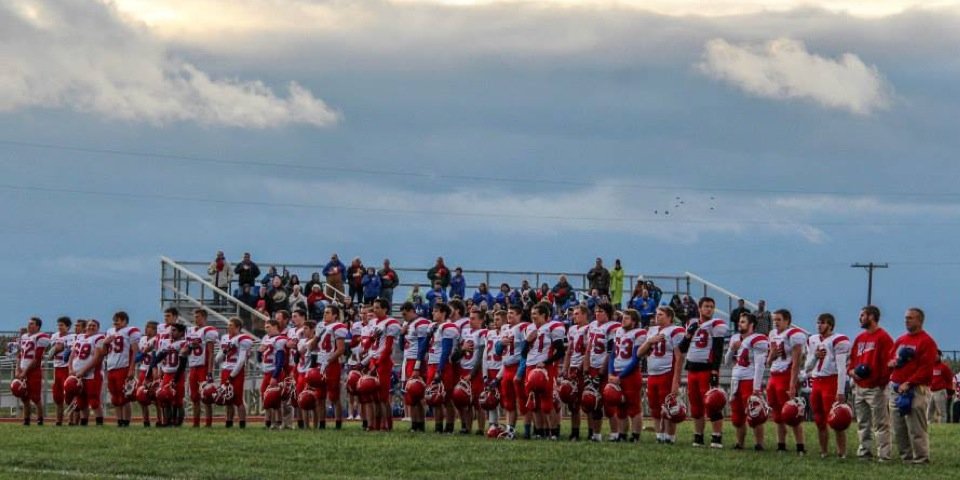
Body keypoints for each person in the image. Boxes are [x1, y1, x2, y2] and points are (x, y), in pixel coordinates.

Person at [888, 307, 938, 464]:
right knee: (898, 426)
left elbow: (926, 368)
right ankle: (906, 457)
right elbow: (890, 358)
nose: (906, 320)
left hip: (916, 388)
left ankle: (921, 457)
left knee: (916, 426)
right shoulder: (901, 340)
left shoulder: (927, 341)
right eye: (905, 318)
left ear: (919, 320)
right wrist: (892, 363)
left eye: (910, 318)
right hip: (896, 388)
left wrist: (909, 382)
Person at [847, 305, 894, 461]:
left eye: (862, 315)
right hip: (859, 386)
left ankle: (884, 455)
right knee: (862, 422)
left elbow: (888, 363)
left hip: (876, 388)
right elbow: (852, 361)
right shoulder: (860, 338)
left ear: (871, 317)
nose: (860, 318)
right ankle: (864, 451)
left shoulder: (883, 337)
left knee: (881, 423)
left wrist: (881, 382)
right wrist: (852, 372)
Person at [681, 297, 728, 448]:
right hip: (692, 369)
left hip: (706, 369)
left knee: (712, 403)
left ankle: (716, 436)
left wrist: (715, 370)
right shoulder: (692, 324)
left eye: (711, 307)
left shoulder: (716, 324)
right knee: (695, 405)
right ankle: (698, 435)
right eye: (706, 306)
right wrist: (689, 334)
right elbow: (682, 348)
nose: (709, 309)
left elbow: (718, 349)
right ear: (699, 309)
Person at [805, 313, 851, 458]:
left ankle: (841, 452)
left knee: (837, 419)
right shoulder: (812, 340)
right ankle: (823, 451)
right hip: (817, 382)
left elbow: (842, 367)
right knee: (819, 419)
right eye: (818, 322)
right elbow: (807, 367)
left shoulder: (838, 340)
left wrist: (840, 390)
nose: (819, 325)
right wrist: (815, 356)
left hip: (831, 380)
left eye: (823, 323)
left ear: (830, 325)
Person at [638, 306, 685, 444]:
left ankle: (670, 437)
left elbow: (679, 357)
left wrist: (676, 380)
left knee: (669, 406)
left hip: (667, 372)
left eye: (661, 314)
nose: (657, 317)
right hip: (653, 374)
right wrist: (649, 341)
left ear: (670, 317)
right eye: (657, 314)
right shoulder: (651, 331)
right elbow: (639, 353)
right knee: (654, 407)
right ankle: (659, 435)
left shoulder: (676, 330)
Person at [765, 309, 807, 454]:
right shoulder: (772, 334)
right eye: (774, 319)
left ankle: (800, 446)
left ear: (787, 321)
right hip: (773, 376)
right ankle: (781, 445)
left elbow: (796, 363)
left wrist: (792, 384)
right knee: (777, 414)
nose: (776, 322)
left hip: (785, 376)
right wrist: (772, 356)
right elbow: (769, 361)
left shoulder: (793, 335)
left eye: (779, 319)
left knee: (792, 413)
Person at [725, 312, 769, 451]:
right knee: (737, 416)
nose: (739, 323)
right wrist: (732, 349)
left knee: (754, 413)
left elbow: (760, 365)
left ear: (751, 325)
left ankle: (759, 444)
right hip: (736, 379)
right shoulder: (735, 338)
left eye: (743, 321)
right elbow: (727, 362)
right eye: (739, 321)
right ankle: (740, 443)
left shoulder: (758, 339)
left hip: (749, 380)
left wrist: (756, 388)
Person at [582, 303, 622, 442]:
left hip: (607, 368)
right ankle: (596, 434)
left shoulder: (613, 327)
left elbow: (611, 352)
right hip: (592, 366)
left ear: (609, 313)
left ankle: (615, 434)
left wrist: (601, 371)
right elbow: (588, 348)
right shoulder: (592, 325)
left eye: (601, 311)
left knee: (609, 401)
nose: (598, 313)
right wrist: (586, 367)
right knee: (593, 402)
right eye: (596, 311)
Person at [606, 309, 647, 442]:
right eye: (623, 317)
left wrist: (621, 375)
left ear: (634, 322)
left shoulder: (639, 333)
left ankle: (635, 436)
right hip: (617, 371)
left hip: (630, 373)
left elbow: (636, 358)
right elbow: (613, 354)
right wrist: (611, 372)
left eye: (627, 318)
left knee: (633, 406)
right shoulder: (618, 331)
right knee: (619, 405)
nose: (623, 320)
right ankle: (622, 434)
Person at [493, 305, 529, 439]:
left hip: (517, 366)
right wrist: (501, 344)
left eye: (512, 313)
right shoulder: (504, 328)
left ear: (519, 315)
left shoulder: (524, 327)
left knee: (523, 401)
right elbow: (497, 352)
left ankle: (527, 431)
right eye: (508, 313)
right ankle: (510, 430)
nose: (509, 315)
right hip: (506, 368)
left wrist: (520, 371)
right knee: (508, 403)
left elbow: (527, 351)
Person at [424, 302, 460, 434]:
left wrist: (439, 370)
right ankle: (438, 427)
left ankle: (449, 427)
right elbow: (425, 346)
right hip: (432, 363)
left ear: (443, 312)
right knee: (434, 397)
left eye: (436, 311)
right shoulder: (433, 326)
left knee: (446, 398)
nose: (433, 313)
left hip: (444, 365)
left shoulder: (448, 327)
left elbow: (446, 351)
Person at [367, 298, 401, 431]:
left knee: (383, 396)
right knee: (374, 395)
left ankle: (387, 425)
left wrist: (378, 362)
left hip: (383, 361)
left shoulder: (391, 323)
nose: (374, 310)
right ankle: (375, 425)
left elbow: (388, 348)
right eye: (374, 307)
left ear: (385, 309)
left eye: (377, 307)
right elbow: (368, 343)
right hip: (373, 359)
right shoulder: (373, 322)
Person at [103, 311, 141, 428]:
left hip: (123, 366)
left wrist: (131, 368)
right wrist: (105, 343)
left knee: (125, 397)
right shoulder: (110, 331)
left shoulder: (130, 331)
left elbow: (135, 351)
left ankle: (126, 421)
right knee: (115, 397)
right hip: (111, 366)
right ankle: (119, 421)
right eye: (114, 319)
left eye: (118, 319)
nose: (115, 322)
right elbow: (105, 351)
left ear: (125, 321)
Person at [314, 304, 348, 430]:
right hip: (320, 363)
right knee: (319, 396)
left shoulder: (338, 327)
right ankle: (322, 424)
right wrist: (317, 336)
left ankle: (338, 423)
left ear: (335, 315)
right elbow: (312, 346)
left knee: (334, 396)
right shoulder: (320, 326)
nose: (325, 314)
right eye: (324, 312)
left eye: (328, 312)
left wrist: (328, 360)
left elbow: (340, 349)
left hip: (332, 364)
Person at [400, 301, 432, 432]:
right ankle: (415, 424)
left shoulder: (421, 323)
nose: (403, 317)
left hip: (417, 361)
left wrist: (417, 366)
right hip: (408, 359)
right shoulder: (407, 324)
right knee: (411, 394)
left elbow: (422, 346)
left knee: (417, 392)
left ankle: (420, 424)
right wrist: (402, 334)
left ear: (412, 311)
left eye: (405, 314)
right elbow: (402, 347)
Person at [218, 317, 254, 428]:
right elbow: (218, 358)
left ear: (238, 327)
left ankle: (242, 423)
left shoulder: (242, 339)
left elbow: (242, 360)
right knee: (227, 397)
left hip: (236, 370)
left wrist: (233, 374)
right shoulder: (224, 338)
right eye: (228, 325)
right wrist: (224, 352)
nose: (228, 327)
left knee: (238, 399)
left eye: (231, 325)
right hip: (225, 369)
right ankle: (228, 422)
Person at [456, 308, 487, 434]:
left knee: (478, 403)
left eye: (473, 318)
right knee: (465, 401)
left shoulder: (483, 333)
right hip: (463, 368)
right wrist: (462, 349)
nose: (470, 320)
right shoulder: (464, 332)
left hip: (475, 371)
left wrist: (472, 374)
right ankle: (467, 428)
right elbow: (457, 354)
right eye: (470, 317)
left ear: (481, 320)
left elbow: (481, 357)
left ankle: (480, 429)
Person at [69, 319, 106, 426]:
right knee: (81, 401)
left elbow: (97, 357)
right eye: (89, 325)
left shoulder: (99, 338)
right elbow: (72, 355)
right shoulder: (79, 337)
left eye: (94, 326)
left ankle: (99, 423)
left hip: (92, 374)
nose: (91, 327)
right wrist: (71, 369)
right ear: (86, 327)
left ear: (98, 328)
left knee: (94, 401)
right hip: (77, 374)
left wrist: (83, 370)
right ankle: (83, 423)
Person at [15, 317, 50, 426]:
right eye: (29, 323)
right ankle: (26, 420)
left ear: (38, 326)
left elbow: (37, 358)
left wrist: (25, 371)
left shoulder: (41, 337)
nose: (29, 325)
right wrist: (17, 369)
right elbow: (20, 354)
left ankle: (40, 420)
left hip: (33, 371)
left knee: (35, 397)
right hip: (22, 369)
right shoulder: (24, 336)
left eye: (32, 324)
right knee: (23, 396)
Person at [187, 310, 219, 428]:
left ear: (204, 317)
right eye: (195, 317)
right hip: (192, 367)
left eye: (198, 317)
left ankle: (208, 423)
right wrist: (190, 346)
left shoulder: (208, 331)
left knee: (207, 396)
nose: (196, 319)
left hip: (203, 367)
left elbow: (211, 353)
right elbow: (185, 351)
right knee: (194, 397)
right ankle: (196, 423)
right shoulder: (190, 331)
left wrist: (210, 371)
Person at [154, 323, 190, 427]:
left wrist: (176, 378)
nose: (171, 332)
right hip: (166, 373)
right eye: (171, 330)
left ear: (181, 333)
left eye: (174, 330)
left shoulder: (183, 343)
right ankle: (167, 421)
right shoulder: (166, 342)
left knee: (178, 401)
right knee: (165, 398)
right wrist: (154, 366)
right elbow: (158, 357)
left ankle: (178, 422)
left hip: (177, 373)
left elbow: (182, 364)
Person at [259, 318, 290, 429]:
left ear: (275, 326)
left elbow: (280, 360)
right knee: (265, 397)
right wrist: (260, 351)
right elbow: (260, 356)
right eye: (265, 327)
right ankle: (268, 421)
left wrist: (275, 375)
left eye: (268, 327)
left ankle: (278, 422)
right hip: (266, 371)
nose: (266, 329)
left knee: (275, 398)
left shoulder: (281, 339)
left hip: (274, 371)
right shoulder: (265, 338)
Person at [50, 316, 75, 426]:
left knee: (69, 395)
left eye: (62, 325)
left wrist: (61, 348)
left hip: (66, 368)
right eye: (58, 325)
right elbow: (51, 353)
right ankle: (58, 420)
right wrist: (56, 349)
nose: (59, 327)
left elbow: (70, 352)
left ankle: (71, 420)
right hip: (57, 368)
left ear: (68, 327)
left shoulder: (72, 337)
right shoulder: (55, 336)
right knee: (57, 396)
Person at [136, 321, 159, 427]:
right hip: (143, 369)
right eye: (147, 327)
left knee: (156, 397)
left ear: (155, 330)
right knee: (141, 397)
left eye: (150, 327)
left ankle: (160, 419)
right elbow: (139, 356)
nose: (147, 329)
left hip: (153, 370)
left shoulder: (157, 340)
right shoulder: (142, 339)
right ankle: (146, 420)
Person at [928, 351, 954, 423]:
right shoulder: (929, 366)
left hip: (940, 391)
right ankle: (930, 426)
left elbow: (949, 379)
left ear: (940, 356)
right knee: (929, 411)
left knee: (941, 412)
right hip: (930, 391)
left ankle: (942, 427)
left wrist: (949, 391)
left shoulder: (944, 367)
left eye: (937, 355)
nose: (935, 356)